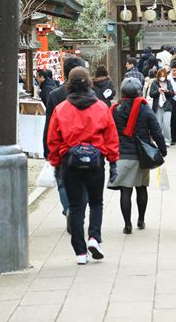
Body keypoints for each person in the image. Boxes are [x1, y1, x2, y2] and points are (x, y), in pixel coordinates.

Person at [47, 67, 119, 265]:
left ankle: (80, 252)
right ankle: (94, 238)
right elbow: (111, 137)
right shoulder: (101, 107)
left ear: (69, 84)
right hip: (95, 161)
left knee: (77, 206)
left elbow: (53, 139)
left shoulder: (61, 108)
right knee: (96, 202)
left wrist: (56, 163)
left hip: (70, 162)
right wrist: (113, 162)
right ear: (90, 83)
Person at [110, 78, 167, 233]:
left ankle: (127, 224)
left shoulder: (115, 109)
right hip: (141, 155)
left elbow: (109, 132)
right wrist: (162, 150)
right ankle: (141, 220)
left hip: (122, 155)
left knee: (125, 190)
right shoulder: (144, 108)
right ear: (139, 92)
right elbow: (156, 131)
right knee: (141, 188)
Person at [43, 55, 84, 230]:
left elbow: (49, 124)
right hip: (84, 144)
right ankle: (77, 211)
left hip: (61, 145)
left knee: (62, 180)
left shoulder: (55, 94)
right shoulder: (88, 93)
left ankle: (68, 208)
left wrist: (46, 148)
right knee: (82, 181)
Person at [149, 67, 174, 146]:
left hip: (167, 105)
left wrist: (167, 91)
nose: (162, 77)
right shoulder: (154, 83)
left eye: (164, 75)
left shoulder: (168, 82)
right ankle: (159, 141)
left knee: (166, 123)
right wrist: (157, 91)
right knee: (158, 124)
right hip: (157, 106)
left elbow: (172, 94)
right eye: (160, 76)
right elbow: (151, 94)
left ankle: (167, 140)